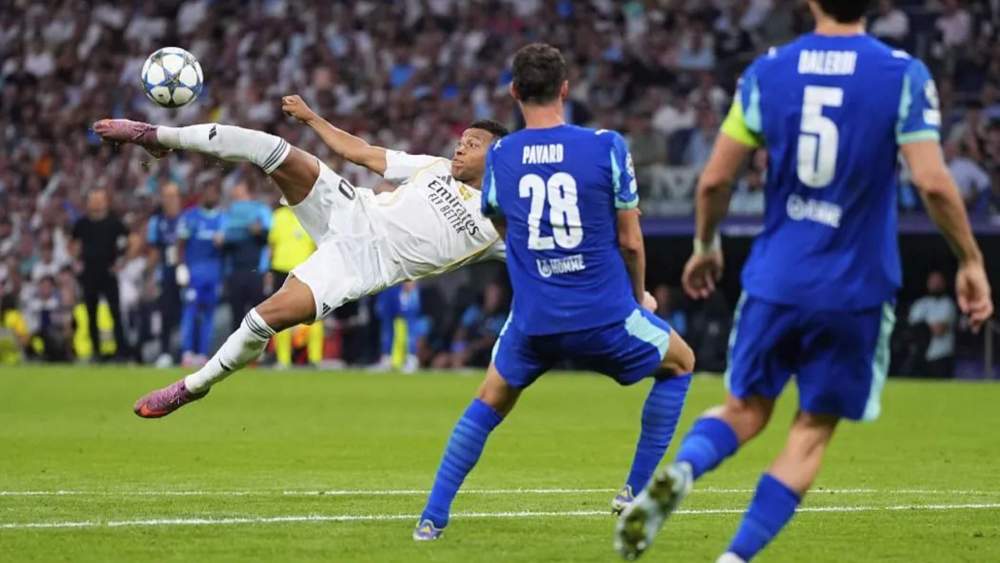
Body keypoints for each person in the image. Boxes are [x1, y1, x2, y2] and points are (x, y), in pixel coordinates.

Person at [615, 2, 995, 561]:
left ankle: (684, 468)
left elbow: (716, 178)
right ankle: (735, 556)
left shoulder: (768, 71)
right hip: (856, 287)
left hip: (778, 277)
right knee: (811, 429)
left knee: (744, 409)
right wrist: (970, 260)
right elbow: (935, 185)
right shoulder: (902, 74)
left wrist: (704, 247)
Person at [413, 43, 695, 541]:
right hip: (605, 315)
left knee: (489, 400)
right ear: (565, 89)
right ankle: (633, 490)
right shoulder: (606, 145)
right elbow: (630, 241)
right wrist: (639, 297)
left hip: (535, 321)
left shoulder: (500, 155)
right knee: (681, 363)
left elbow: (501, 222)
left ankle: (431, 519)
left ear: (514, 91)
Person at [93, 97, 508, 418]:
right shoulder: (431, 166)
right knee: (268, 146)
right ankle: (157, 135)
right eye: (460, 142)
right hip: (351, 209)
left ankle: (195, 385)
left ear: (497, 156)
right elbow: (362, 153)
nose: (459, 150)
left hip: (363, 264)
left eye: (472, 145)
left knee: (262, 319)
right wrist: (311, 118)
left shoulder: (503, 221)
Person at [70, 189, 129, 362]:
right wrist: (76, 260)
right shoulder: (82, 224)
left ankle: (121, 351)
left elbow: (131, 239)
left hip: (108, 273)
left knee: (115, 312)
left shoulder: (114, 223)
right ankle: (96, 351)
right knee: (91, 313)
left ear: (105, 202)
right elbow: (73, 243)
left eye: (99, 199)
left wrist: (122, 261)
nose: (96, 202)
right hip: (89, 273)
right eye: (93, 199)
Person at [176, 179, 225, 367]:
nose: (210, 196)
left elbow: (227, 247)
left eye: (214, 192)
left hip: (214, 274)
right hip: (193, 273)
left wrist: (224, 242)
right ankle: (187, 352)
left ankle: (204, 353)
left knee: (209, 315)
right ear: (201, 194)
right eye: (207, 192)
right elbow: (180, 245)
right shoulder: (190, 217)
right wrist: (180, 267)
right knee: (189, 312)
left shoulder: (222, 218)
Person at [267, 203, 320, 369]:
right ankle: (283, 359)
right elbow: (272, 246)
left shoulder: (312, 214)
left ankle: (314, 358)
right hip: (280, 270)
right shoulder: (278, 216)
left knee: (314, 314)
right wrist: (268, 270)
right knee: (282, 317)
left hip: (305, 271)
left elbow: (318, 246)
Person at [222, 181, 271, 333]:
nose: (236, 196)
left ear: (248, 193)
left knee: (258, 314)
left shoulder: (261, 211)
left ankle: (261, 353)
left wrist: (259, 231)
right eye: (235, 194)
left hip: (256, 270)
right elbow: (223, 238)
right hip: (236, 270)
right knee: (236, 314)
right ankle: (237, 354)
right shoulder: (229, 213)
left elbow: (269, 237)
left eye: (239, 193)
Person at [146, 182, 184, 367]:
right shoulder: (157, 222)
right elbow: (153, 251)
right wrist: (150, 276)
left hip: (184, 272)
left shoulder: (186, 219)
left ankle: (186, 352)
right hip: (165, 272)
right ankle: (165, 352)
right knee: (165, 314)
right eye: (167, 196)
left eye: (174, 196)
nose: (171, 200)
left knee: (187, 313)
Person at [907, 271, 957, 378]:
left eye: (938, 282)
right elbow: (912, 328)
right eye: (933, 282)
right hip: (920, 356)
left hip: (941, 355)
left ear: (944, 284)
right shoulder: (920, 303)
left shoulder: (947, 303)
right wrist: (927, 327)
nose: (936, 285)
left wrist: (923, 326)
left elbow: (939, 330)